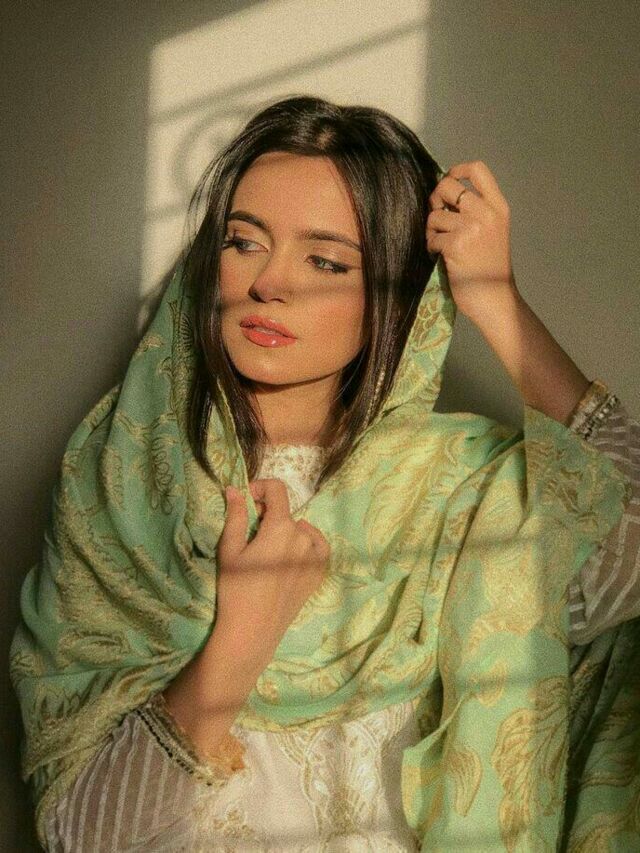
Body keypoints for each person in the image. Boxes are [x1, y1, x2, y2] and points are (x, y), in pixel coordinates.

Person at [10, 95, 640, 851]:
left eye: (325, 260)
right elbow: (80, 837)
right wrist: (240, 638)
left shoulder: (458, 487)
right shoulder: (124, 482)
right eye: (244, 242)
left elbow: (626, 564)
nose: (270, 282)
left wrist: (497, 303)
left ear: (395, 296)